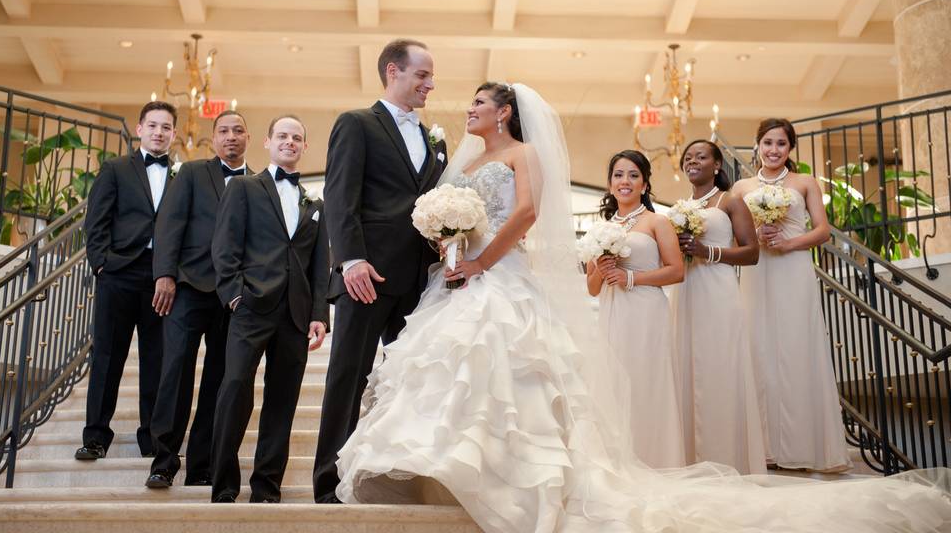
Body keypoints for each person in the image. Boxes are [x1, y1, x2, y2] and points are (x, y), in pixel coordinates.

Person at [335, 84, 951, 532]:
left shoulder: (528, 157)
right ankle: (440, 473)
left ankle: (510, 477)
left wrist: (480, 261)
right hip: (460, 276)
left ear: (503, 111)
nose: (466, 110)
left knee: (507, 370)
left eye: (477, 103)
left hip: (501, 274)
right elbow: (452, 210)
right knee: (451, 368)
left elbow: (523, 216)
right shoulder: (462, 160)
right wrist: (451, 248)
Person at [313, 38, 447, 503]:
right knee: (348, 376)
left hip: (419, 280)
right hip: (365, 275)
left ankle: (391, 477)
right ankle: (327, 484)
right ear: (394, 71)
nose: (430, 83)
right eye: (422, 74)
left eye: (430, 76)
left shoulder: (435, 138)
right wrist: (350, 260)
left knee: (408, 381)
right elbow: (340, 195)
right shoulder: (357, 123)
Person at [209, 115, 329, 503]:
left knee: (282, 401)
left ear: (304, 147)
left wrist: (319, 314)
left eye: (297, 137)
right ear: (268, 141)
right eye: (283, 136)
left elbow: (318, 264)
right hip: (251, 306)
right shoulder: (245, 187)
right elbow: (225, 246)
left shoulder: (315, 202)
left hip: (295, 314)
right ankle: (224, 484)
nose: (289, 142)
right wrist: (234, 295)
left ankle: (266, 486)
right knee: (234, 387)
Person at [732, 119, 851, 472]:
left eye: (781, 144)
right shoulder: (741, 187)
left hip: (793, 269)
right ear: (757, 145)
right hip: (757, 272)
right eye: (767, 142)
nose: (773, 150)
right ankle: (764, 448)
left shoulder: (805, 182)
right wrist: (756, 233)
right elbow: (737, 238)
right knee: (759, 347)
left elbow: (823, 231)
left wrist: (788, 243)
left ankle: (805, 446)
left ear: (790, 148)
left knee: (797, 349)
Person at [144, 111, 251, 488]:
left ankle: (202, 464)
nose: (231, 137)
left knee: (220, 383)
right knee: (175, 374)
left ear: (249, 138)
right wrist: (165, 275)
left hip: (235, 298)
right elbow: (169, 224)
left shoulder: (258, 183)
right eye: (224, 131)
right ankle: (164, 461)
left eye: (238, 131)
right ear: (214, 138)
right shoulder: (191, 173)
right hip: (188, 288)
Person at [78, 101, 176, 461]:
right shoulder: (115, 168)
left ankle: (151, 438)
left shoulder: (182, 176)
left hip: (162, 279)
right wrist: (101, 265)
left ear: (174, 134)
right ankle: (96, 436)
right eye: (152, 125)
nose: (158, 132)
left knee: (157, 360)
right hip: (118, 274)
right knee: (107, 356)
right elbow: (96, 222)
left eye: (166, 127)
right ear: (139, 129)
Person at [670, 139, 766, 474]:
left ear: (717, 166)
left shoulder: (731, 201)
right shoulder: (679, 208)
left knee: (720, 368)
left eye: (700, 156)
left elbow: (751, 253)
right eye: (688, 156)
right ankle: (690, 459)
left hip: (718, 291)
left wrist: (707, 252)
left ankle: (728, 458)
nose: (692, 160)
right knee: (686, 366)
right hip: (686, 291)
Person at [585, 150, 686, 469]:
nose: (624, 181)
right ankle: (621, 460)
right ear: (610, 184)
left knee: (647, 382)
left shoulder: (657, 222)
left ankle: (657, 460)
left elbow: (676, 270)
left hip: (646, 312)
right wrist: (601, 267)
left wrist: (631, 277)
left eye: (632, 175)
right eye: (618, 175)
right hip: (613, 314)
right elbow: (591, 287)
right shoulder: (599, 228)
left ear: (644, 184)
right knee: (616, 383)